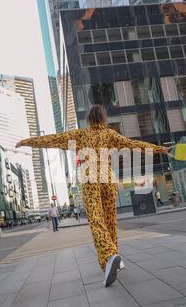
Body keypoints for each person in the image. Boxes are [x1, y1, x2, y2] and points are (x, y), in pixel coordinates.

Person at [16, 104, 168, 287]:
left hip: (90, 180)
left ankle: (111, 255)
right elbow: (132, 144)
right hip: (108, 180)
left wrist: (28, 141)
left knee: (97, 220)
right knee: (110, 221)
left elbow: (53, 139)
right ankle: (111, 261)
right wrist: (158, 149)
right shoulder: (110, 135)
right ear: (103, 118)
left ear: (89, 119)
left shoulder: (80, 135)